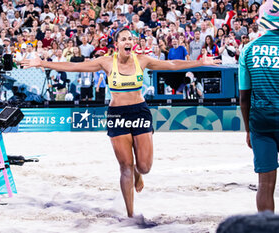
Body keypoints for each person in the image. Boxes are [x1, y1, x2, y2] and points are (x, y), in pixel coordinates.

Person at [22, 27, 220, 217]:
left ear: (133, 43)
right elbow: (74, 66)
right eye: (123, 39)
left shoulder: (141, 60)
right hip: (117, 114)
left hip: (140, 112)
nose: (127, 41)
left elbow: (173, 65)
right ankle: (131, 214)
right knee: (124, 166)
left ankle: (138, 172)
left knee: (144, 167)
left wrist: (199, 62)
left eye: (130, 39)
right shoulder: (107, 62)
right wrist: (43, 64)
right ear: (116, 44)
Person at [239, 0, 279, 213]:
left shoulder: (248, 50)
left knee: (265, 185)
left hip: (261, 121)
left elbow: (244, 97)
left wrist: (248, 129)